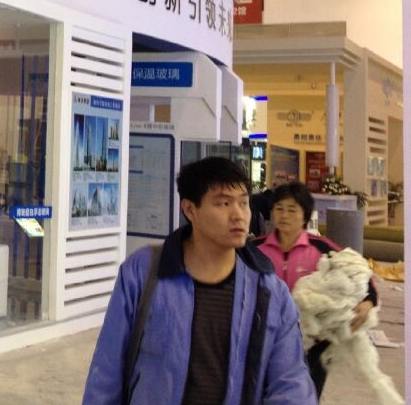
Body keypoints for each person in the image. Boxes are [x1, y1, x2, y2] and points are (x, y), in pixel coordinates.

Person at [82, 157, 315, 405]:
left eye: (243, 202)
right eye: (224, 203)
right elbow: (107, 369)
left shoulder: (269, 292)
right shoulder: (144, 273)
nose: (238, 215)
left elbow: (292, 383)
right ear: (190, 209)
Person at [253, 181, 377, 399]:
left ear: (305, 215)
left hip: (313, 342)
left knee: (306, 395)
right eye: (279, 208)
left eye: (292, 209)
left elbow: (360, 274)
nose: (284, 215)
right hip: (266, 336)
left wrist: (368, 302)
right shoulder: (255, 248)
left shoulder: (322, 247)